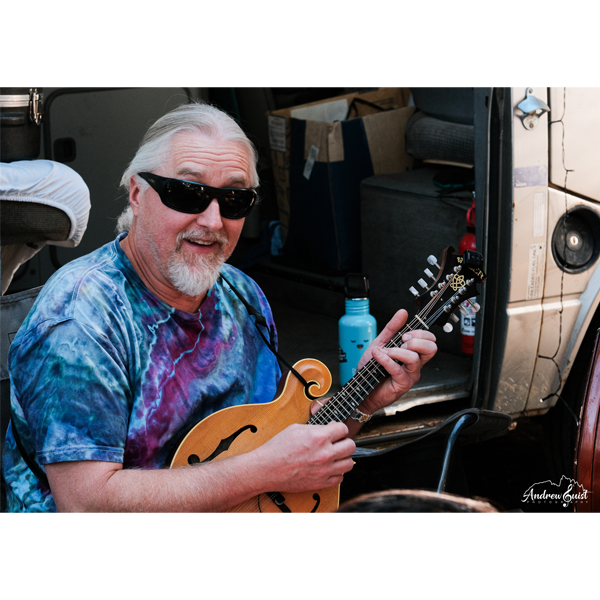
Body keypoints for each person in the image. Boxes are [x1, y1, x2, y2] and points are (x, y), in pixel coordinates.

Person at [3, 102, 437, 512]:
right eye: (187, 193)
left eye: (233, 200)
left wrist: (363, 398)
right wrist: (262, 471)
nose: (212, 222)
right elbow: (84, 504)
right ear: (136, 194)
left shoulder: (241, 293)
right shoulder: (81, 319)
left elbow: (276, 443)